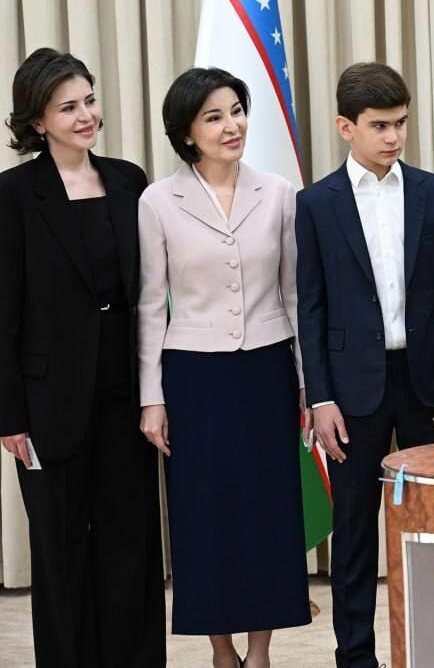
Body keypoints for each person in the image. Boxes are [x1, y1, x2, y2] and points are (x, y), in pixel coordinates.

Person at [296, 62, 434, 668]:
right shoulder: (316, 203)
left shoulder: (433, 192)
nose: (394, 136)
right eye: (379, 125)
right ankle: (355, 656)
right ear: (346, 127)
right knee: (353, 529)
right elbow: (312, 306)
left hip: (427, 384)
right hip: (351, 393)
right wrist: (321, 398)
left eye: (400, 123)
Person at [138, 67, 311, 668]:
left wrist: (308, 385)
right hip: (193, 377)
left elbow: (295, 295)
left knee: (268, 512)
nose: (231, 125)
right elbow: (149, 305)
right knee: (204, 513)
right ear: (187, 132)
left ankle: (260, 651)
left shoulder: (279, 192)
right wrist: (152, 396)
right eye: (213, 116)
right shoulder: (158, 200)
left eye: (236, 111)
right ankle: (220, 649)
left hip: (267, 370)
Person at [0, 49, 165, 666]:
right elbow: (3, 311)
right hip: (48, 403)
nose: (86, 115)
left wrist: (156, 391)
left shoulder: (128, 181)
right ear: (37, 121)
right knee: (60, 550)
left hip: (126, 393)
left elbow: (150, 293)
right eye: (68, 107)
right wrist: (9, 415)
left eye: (89, 100)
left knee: (131, 543)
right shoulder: (14, 194)